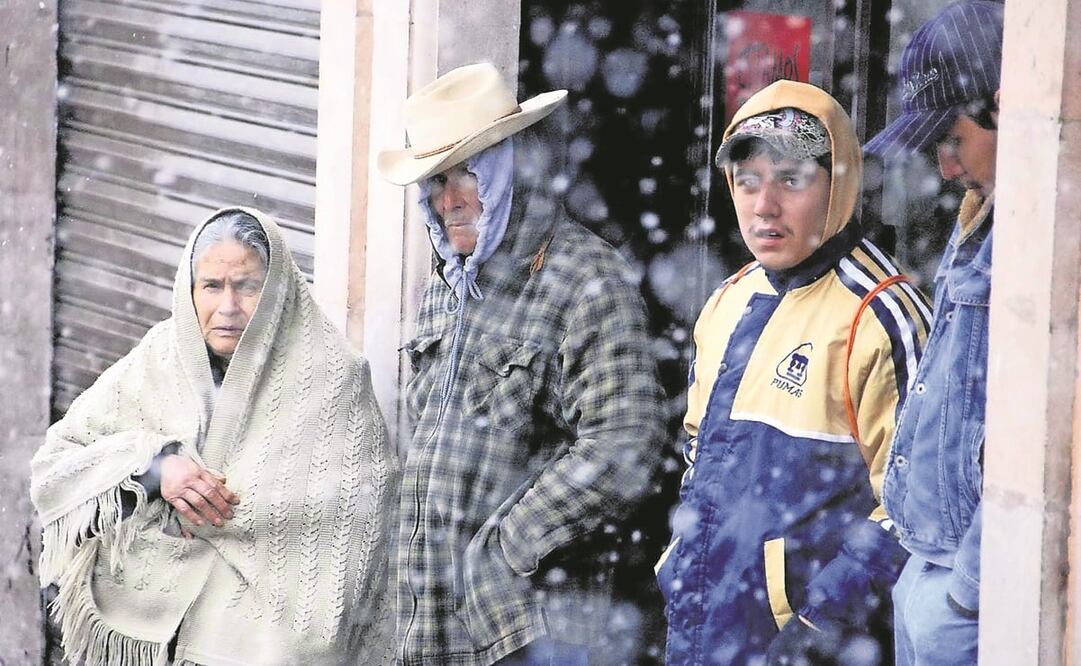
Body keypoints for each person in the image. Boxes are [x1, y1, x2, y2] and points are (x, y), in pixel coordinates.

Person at [376, 62, 664, 664]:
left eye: (465, 176)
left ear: (506, 170)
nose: (448, 200)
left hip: (534, 631)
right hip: (432, 629)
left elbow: (625, 442)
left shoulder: (587, 277)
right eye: (434, 182)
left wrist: (506, 550)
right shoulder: (447, 283)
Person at [31, 208, 399, 665]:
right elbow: (59, 463)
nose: (227, 307)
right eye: (211, 286)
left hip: (265, 637)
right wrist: (156, 468)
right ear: (190, 289)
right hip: (158, 638)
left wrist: (198, 512)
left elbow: (348, 524)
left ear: (278, 290)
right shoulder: (161, 355)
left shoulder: (332, 376)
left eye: (247, 286)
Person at [655, 79, 931, 664]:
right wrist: (677, 567)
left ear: (839, 185)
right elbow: (700, 455)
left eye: (791, 180)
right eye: (748, 181)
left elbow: (916, 508)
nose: (765, 206)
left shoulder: (881, 315)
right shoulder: (729, 300)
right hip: (706, 629)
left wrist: (817, 624)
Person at [864, 2, 1004, 663]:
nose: (945, 167)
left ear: (1004, 106)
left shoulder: (1035, 240)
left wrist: (966, 594)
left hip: (963, 589)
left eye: (951, 138)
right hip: (931, 567)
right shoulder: (981, 217)